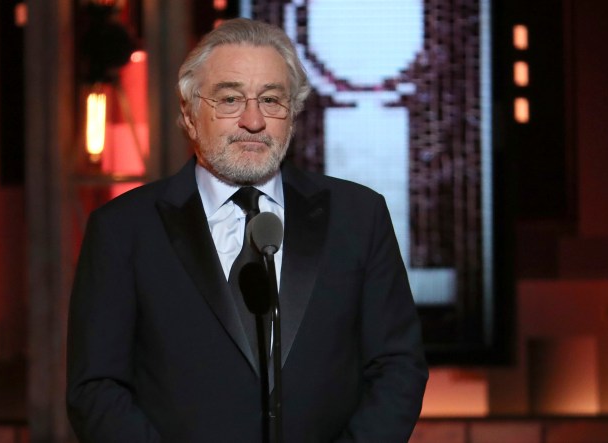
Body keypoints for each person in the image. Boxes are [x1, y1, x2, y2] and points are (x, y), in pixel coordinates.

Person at [67, 18, 428, 442]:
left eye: (272, 100)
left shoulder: (358, 216)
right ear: (188, 113)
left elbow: (398, 368)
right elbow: (96, 388)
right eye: (230, 99)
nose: (253, 120)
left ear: (292, 115)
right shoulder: (123, 229)